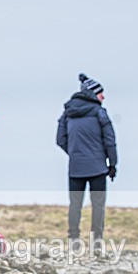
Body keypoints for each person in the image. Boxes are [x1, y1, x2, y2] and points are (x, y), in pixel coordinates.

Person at [56, 73, 118, 250]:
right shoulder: (100, 113)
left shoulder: (67, 113)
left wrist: (75, 153)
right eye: (100, 93)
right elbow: (110, 141)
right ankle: (97, 242)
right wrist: (112, 164)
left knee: (75, 204)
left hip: (76, 167)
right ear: (92, 94)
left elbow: (60, 139)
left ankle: (73, 240)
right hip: (98, 168)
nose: (103, 96)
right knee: (98, 205)